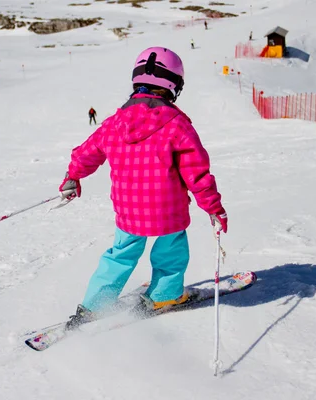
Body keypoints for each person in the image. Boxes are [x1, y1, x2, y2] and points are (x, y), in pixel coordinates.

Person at [59, 47, 228, 330]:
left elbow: (87, 152)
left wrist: (73, 177)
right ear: (174, 85)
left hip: (128, 210)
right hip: (168, 211)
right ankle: (164, 295)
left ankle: (95, 305)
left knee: (120, 254)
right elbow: (196, 173)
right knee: (171, 252)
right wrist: (213, 208)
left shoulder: (114, 123)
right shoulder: (177, 124)